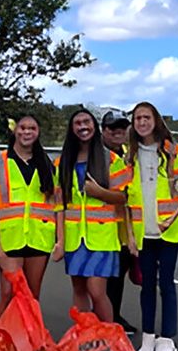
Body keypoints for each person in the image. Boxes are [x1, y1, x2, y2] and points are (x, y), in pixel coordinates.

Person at [124, 101, 178, 351]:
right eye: (137, 118)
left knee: (166, 284)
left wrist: (170, 219)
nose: (142, 122)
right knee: (146, 287)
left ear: (156, 120)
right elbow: (125, 199)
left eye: (146, 117)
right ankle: (148, 337)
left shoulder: (171, 151)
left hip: (168, 231)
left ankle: (167, 339)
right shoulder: (129, 155)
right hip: (142, 233)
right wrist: (130, 236)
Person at [0, 114, 58, 320]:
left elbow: (57, 205)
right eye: (23, 127)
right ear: (15, 130)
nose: (27, 132)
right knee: (9, 294)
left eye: (32, 128)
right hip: (10, 240)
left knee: (31, 296)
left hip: (39, 239)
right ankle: (2, 338)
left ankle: (29, 339)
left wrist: (59, 240)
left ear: (38, 132)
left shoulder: (47, 165)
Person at [54, 109, 130, 322]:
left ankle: (107, 333)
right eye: (77, 123)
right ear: (72, 129)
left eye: (86, 122)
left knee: (97, 291)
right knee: (79, 290)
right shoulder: (62, 163)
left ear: (94, 127)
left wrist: (100, 193)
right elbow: (59, 205)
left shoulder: (111, 159)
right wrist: (60, 241)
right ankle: (85, 335)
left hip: (101, 238)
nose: (82, 127)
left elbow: (124, 197)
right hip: (74, 238)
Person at [100, 109, 137, 334]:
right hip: (101, 225)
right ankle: (102, 319)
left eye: (122, 127)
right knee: (101, 277)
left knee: (118, 274)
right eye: (112, 128)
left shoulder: (127, 155)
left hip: (123, 225)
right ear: (103, 130)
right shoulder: (98, 155)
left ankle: (114, 315)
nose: (118, 132)